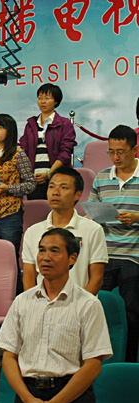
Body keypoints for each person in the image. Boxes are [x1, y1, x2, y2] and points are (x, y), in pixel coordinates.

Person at [0, 228, 112, 403]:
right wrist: (29, 401)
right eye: (41, 250)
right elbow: (9, 356)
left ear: (72, 258)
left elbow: (93, 365)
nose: (45, 257)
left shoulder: (88, 304)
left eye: (54, 251)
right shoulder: (22, 301)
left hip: (72, 400)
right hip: (28, 400)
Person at [89, 124, 139, 362]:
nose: (116, 157)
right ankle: (96, 361)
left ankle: (128, 362)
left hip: (134, 255)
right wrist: (96, 217)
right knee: (94, 306)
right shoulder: (101, 178)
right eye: (112, 152)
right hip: (105, 253)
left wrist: (137, 218)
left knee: (131, 312)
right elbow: (92, 212)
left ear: (134, 150)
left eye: (121, 152)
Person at [22, 167, 108, 295]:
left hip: (80, 303)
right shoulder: (33, 232)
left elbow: (96, 278)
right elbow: (29, 277)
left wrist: (81, 305)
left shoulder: (93, 230)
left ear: (77, 194)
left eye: (63, 187)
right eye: (51, 187)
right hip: (42, 304)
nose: (55, 192)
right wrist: (35, 303)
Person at [0, 114, 36, 293]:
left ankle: (15, 299)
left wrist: (7, 189)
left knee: (9, 260)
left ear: (9, 131)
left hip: (9, 214)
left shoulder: (18, 154)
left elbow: (30, 184)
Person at [19, 83, 77, 200]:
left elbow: (65, 153)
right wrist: (29, 175)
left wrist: (49, 174)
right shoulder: (30, 125)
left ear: (56, 101)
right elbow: (23, 150)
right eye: (40, 98)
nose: (42, 101)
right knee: (37, 210)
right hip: (34, 180)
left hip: (58, 178)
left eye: (47, 98)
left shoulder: (64, 124)